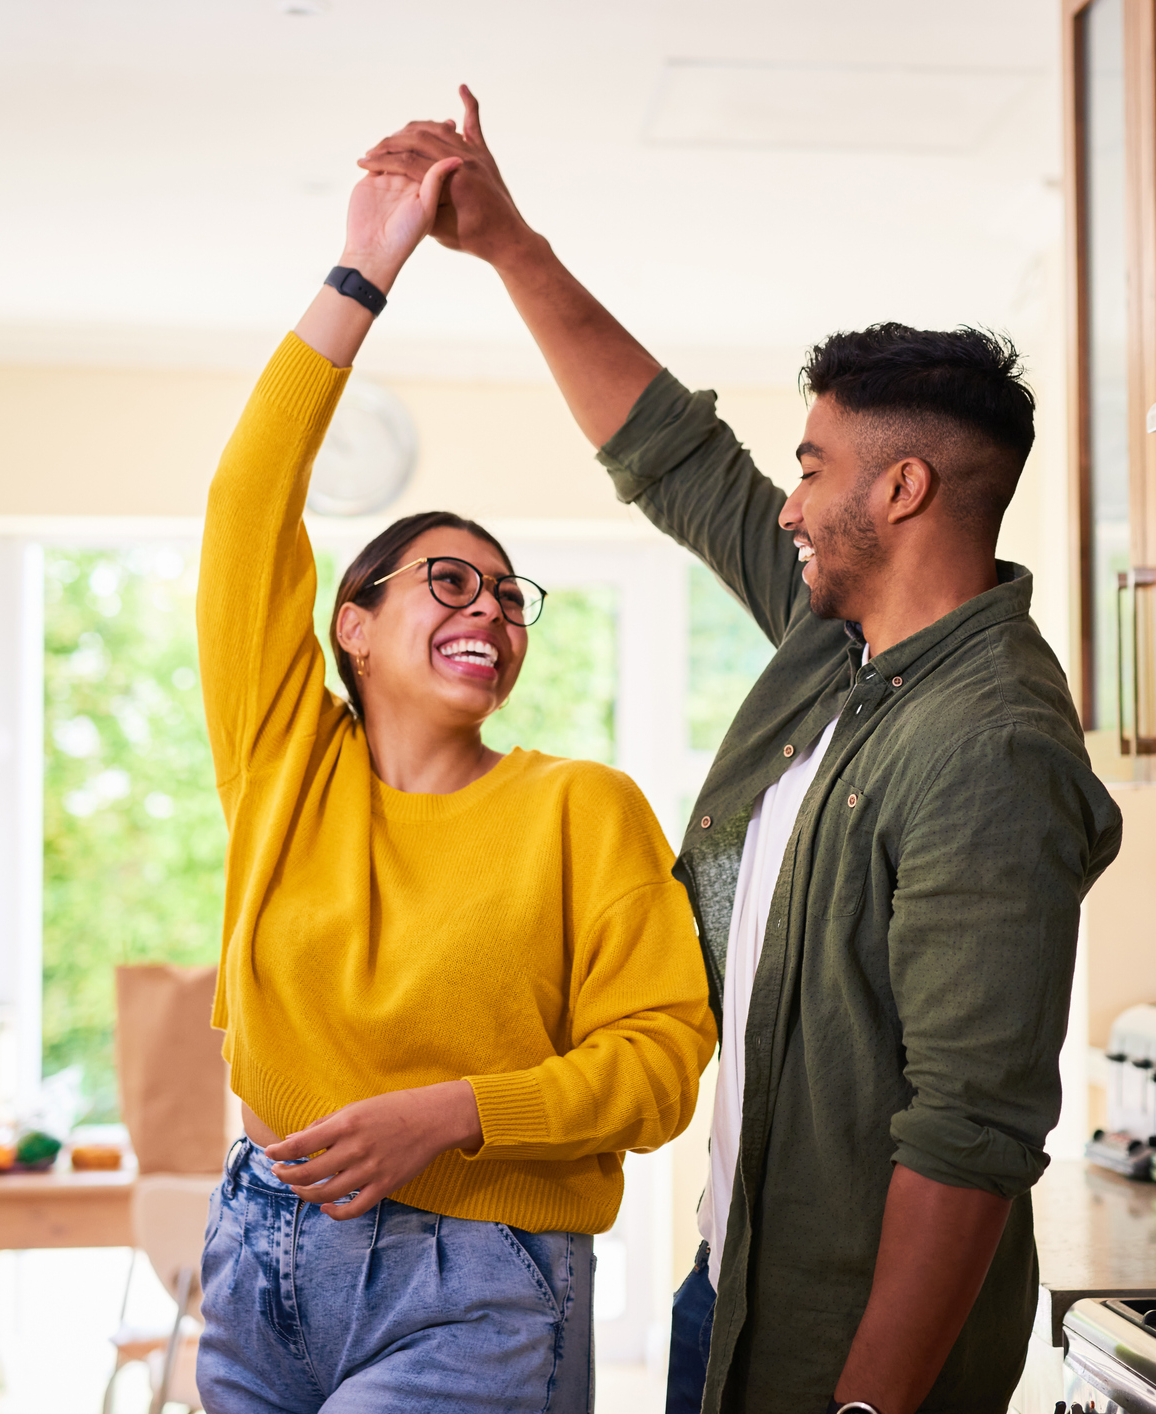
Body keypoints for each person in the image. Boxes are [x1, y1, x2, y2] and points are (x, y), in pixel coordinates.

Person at [361, 90, 1125, 1414]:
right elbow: (673, 457)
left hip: (847, 1353)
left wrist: (866, 1408)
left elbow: (971, 1134)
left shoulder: (986, 747)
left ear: (898, 492)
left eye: (813, 465)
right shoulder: (841, 646)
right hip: (735, 1289)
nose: (786, 500)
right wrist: (504, 242)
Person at [193, 151, 718, 1414]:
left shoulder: (578, 807)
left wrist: (453, 1114)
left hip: (476, 1283)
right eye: (447, 579)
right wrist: (365, 269)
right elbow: (245, 507)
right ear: (352, 626)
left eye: (506, 593)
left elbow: (660, 1060)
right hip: (256, 1258)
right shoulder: (283, 765)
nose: (490, 605)